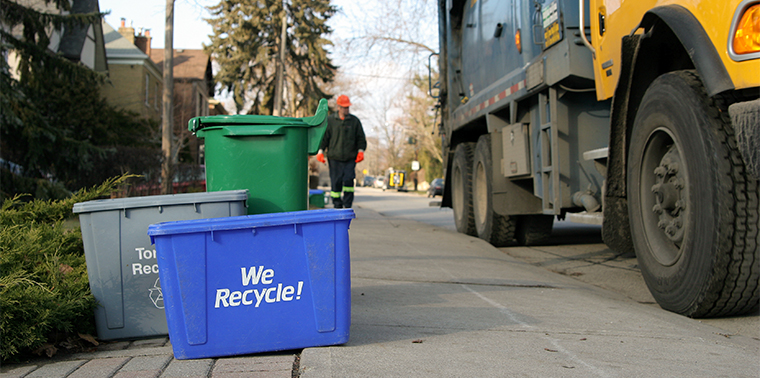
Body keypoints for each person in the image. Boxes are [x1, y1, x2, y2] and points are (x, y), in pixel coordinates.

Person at [316, 95, 367, 209]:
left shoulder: (354, 121)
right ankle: (337, 206)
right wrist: (320, 151)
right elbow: (324, 138)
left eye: (348, 107)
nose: (346, 109)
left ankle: (348, 206)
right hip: (334, 158)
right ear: (338, 107)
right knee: (336, 182)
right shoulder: (330, 121)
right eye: (344, 107)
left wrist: (361, 151)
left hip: (350, 158)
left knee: (349, 180)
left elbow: (361, 138)